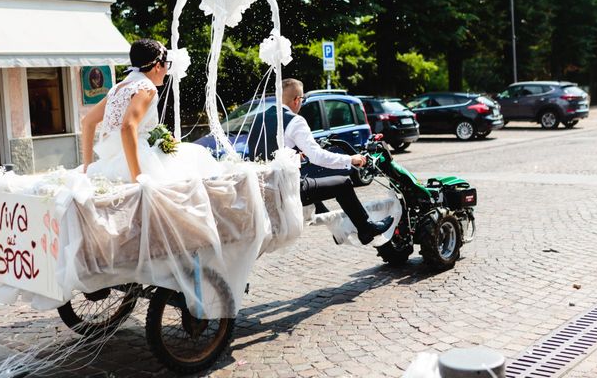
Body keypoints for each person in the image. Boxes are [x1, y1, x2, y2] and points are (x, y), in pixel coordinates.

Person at [247, 78, 394, 245]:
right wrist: (351, 159)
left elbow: (262, 152)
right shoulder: (295, 121)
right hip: (285, 190)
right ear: (296, 100)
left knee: (313, 182)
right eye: (302, 99)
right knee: (343, 183)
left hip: (263, 188)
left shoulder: (259, 118)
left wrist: (294, 157)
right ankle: (366, 229)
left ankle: (339, 231)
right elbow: (318, 156)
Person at [82, 38, 221, 183]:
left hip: (107, 164)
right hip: (137, 162)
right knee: (197, 154)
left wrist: (87, 165)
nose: (167, 70)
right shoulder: (146, 87)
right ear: (157, 66)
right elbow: (128, 126)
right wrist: (137, 178)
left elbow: (87, 122)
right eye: (167, 64)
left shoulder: (117, 88)